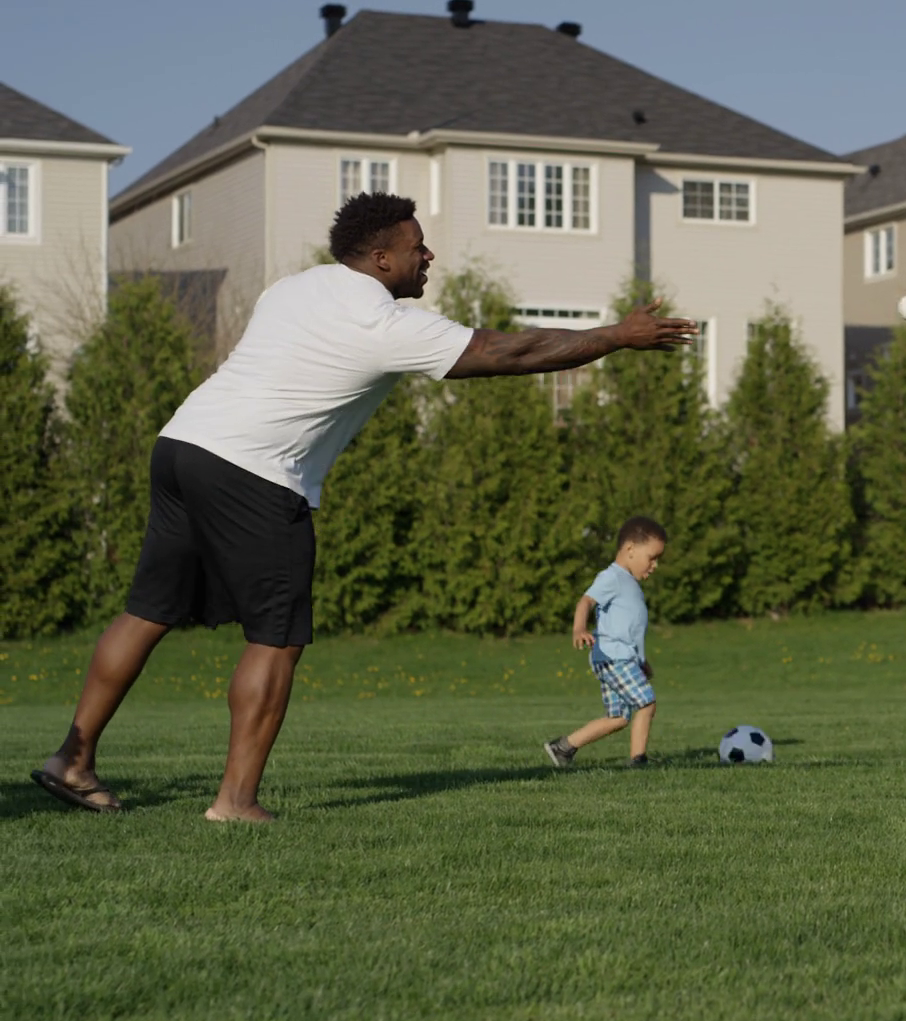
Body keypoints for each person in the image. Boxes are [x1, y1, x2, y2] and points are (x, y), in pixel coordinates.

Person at [29, 193, 697, 822]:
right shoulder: (383, 323)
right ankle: (235, 802)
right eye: (417, 247)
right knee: (276, 638)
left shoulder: (292, 287)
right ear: (381, 259)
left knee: (148, 611)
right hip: (256, 472)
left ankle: (73, 761)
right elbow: (507, 351)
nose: (428, 256)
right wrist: (617, 335)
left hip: (182, 446)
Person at [544, 516, 667, 769]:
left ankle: (563, 747)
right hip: (613, 656)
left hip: (619, 657)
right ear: (630, 549)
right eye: (652, 557)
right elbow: (586, 601)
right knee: (647, 703)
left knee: (618, 718)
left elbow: (627, 631)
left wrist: (641, 661)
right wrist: (579, 628)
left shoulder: (630, 584)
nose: (655, 565)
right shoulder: (613, 577)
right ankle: (639, 761)